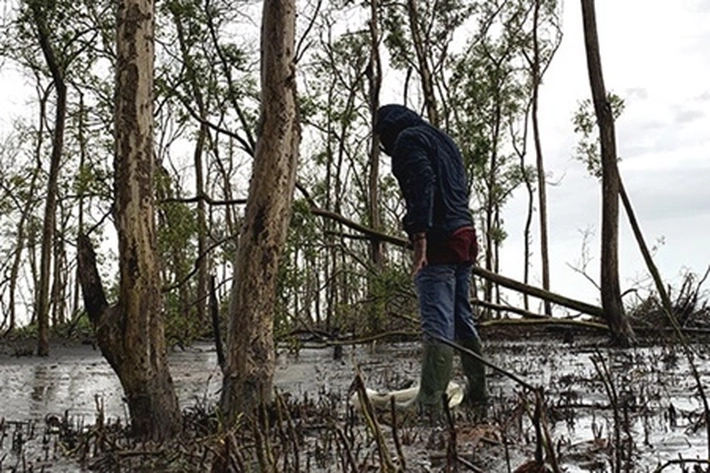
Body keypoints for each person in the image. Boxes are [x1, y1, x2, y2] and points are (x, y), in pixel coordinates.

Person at [375, 103, 486, 414]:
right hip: (465, 235)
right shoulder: (443, 140)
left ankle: (429, 403)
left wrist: (419, 236)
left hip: (438, 239)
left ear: (387, 131)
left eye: (382, 138)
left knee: (437, 321)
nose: (384, 147)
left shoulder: (407, 141)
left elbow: (422, 183)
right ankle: (479, 392)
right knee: (462, 316)